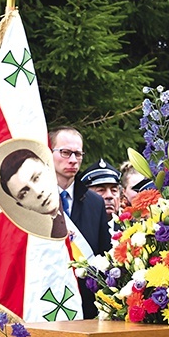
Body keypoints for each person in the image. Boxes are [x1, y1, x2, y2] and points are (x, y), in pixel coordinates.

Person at [48, 126, 110, 319]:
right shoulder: (33, 200)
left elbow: (103, 255)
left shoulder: (95, 202)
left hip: (85, 306)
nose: (73, 160)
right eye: (65, 153)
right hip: (44, 298)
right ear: (48, 153)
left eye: (78, 154)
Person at [0, 147, 67, 238]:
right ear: (22, 205)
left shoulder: (88, 203)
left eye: (37, 178)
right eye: (24, 194)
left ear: (49, 169)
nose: (38, 192)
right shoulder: (50, 240)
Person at [80, 158, 122, 236]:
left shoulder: (131, 229)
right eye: (101, 190)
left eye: (114, 190)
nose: (109, 196)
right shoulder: (77, 231)